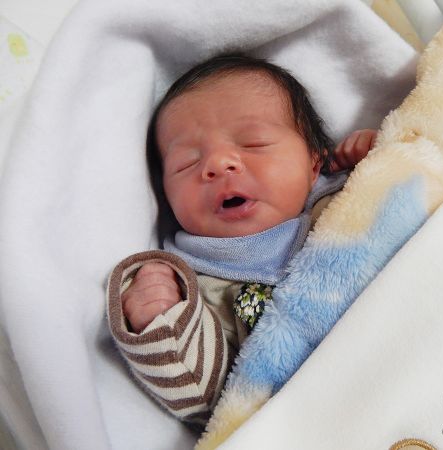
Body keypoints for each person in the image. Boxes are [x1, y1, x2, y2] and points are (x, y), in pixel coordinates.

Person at [106, 54, 377, 424]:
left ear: (314, 164)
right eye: (187, 163)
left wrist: (383, 157)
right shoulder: (198, 290)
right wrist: (160, 323)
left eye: (254, 143)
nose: (218, 164)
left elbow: (425, 204)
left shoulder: (346, 198)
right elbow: (210, 399)